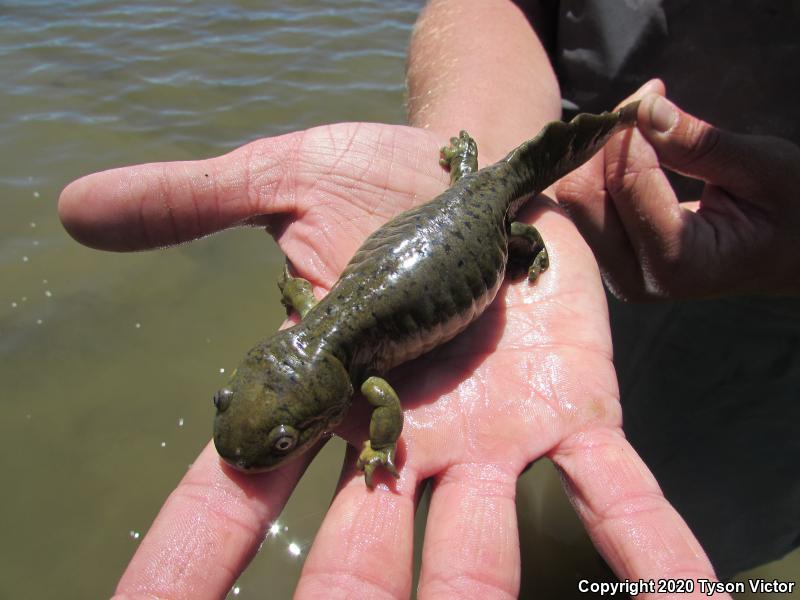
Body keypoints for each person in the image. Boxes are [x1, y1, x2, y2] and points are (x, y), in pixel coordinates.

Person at [57, 2, 799, 599]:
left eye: (284, 441)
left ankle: (522, 235)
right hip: (495, 207)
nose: (255, 439)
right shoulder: (324, 330)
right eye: (234, 403)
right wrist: (461, 126)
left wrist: (383, 441)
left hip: (741, 368)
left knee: (660, 534)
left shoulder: (366, 380)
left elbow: (386, 404)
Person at [407, 0, 800, 582]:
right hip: (565, 230)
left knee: (681, 552)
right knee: (507, 496)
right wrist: (474, 178)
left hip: (765, 359)